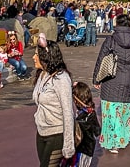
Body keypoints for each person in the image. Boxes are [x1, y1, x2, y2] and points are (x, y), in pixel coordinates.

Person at [93, 14, 130, 154]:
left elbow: (101, 59)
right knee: (126, 109)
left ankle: (113, 141)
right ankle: (126, 136)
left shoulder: (111, 40)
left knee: (111, 110)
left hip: (112, 78)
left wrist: (96, 79)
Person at [32, 39, 75, 167]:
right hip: (41, 132)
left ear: (46, 57)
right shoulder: (42, 75)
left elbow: (68, 112)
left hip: (57, 134)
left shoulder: (61, 79)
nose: (33, 57)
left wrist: (68, 145)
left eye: (37, 54)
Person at [72, 81, 101, 167]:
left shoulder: (81, 117)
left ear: (76, 101)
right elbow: (97, 131)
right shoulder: (91, 112)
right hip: (89, 148)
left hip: (80, 148)